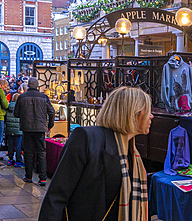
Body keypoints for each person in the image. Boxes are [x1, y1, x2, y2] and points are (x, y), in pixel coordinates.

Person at [40, 86, 152, 220]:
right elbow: (56, 196)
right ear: (132, 113)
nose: (151, 116)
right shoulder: (86, 138)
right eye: (148, 111)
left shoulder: (132, 151)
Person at [16, 77, 56, 185]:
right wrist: (50, 125)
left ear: (28, 85)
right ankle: (43, 178)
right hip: (40, 128)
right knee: (41, 152)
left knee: (28, 153)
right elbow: (52, 112)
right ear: (37, 85)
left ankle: (28, 177)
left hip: (27, 128)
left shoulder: (21, 97)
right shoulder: (44, 97)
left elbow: (16, 113)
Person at [5, 92, 23, 167]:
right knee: (18, 146)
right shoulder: (21, 107)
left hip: (9, 129)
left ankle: (10, 159)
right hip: (18, 129)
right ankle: (18, 160)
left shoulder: (8, 106)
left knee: (10, 145)